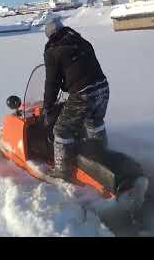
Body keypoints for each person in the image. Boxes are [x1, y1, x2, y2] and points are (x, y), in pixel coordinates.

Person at [43, 17, 109, 181]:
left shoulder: (53, 51)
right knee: (94, 122)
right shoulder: (82, 42)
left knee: (61, 130)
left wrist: (48, 106)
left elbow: (52, 82)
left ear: (50, 34)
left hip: (84, 94)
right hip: (103, 88)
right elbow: (83, 68)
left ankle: (62, 171)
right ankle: (102, 156)